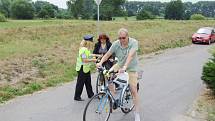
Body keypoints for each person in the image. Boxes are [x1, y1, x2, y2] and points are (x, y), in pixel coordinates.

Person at [96, 28, 141, 121]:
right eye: (119, 38)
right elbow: (108, 54)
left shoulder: (133, 42)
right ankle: (112, 95)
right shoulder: (116, 44)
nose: (121, 40)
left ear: (128, 36)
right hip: (119, 65)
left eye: (123, 38)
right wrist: (100, 62)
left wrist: (125, 67)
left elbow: (130, 55)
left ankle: (137, 113)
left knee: (133, 90)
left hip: (131, 68)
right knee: (107, 74)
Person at [74, 35, 100, 101]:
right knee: (80, 83)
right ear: (88, 42)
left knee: (88, 82)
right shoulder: (83, 49)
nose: (92, 43)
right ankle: (77, 96)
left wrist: (96, 55)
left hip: (85, 69)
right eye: (91, 42)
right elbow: (84, 60)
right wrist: (94, 60)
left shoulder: (85, 49)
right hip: (82, 69)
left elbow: (89, 55)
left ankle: (90, 94)